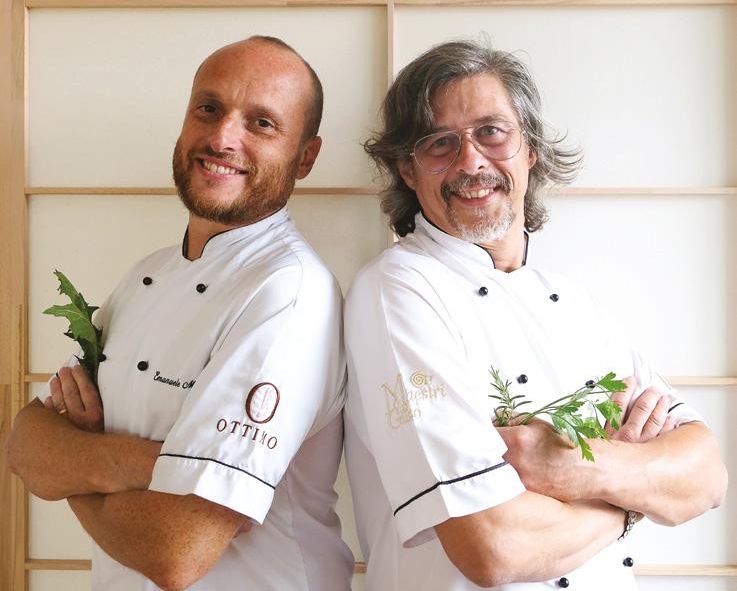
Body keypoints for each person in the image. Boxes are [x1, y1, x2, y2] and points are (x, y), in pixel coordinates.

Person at [343, 39, 727, 590]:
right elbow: (494, 547)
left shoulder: (578, 305)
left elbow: (707, 477)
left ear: (530, 150)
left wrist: (577, 468)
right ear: (408, 169)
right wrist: (633, 499)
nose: (471, 161)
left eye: (491, 132)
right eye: (439, 143)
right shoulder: (397, 290)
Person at [6, 36, 354, 591]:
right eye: (209, 109)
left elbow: (177, 551)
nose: (222, 138)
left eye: (262, 123)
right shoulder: (145, 275)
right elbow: (26, 443)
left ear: (305, 157)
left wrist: (75, 466)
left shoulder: (288, 294)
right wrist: (149, 464)